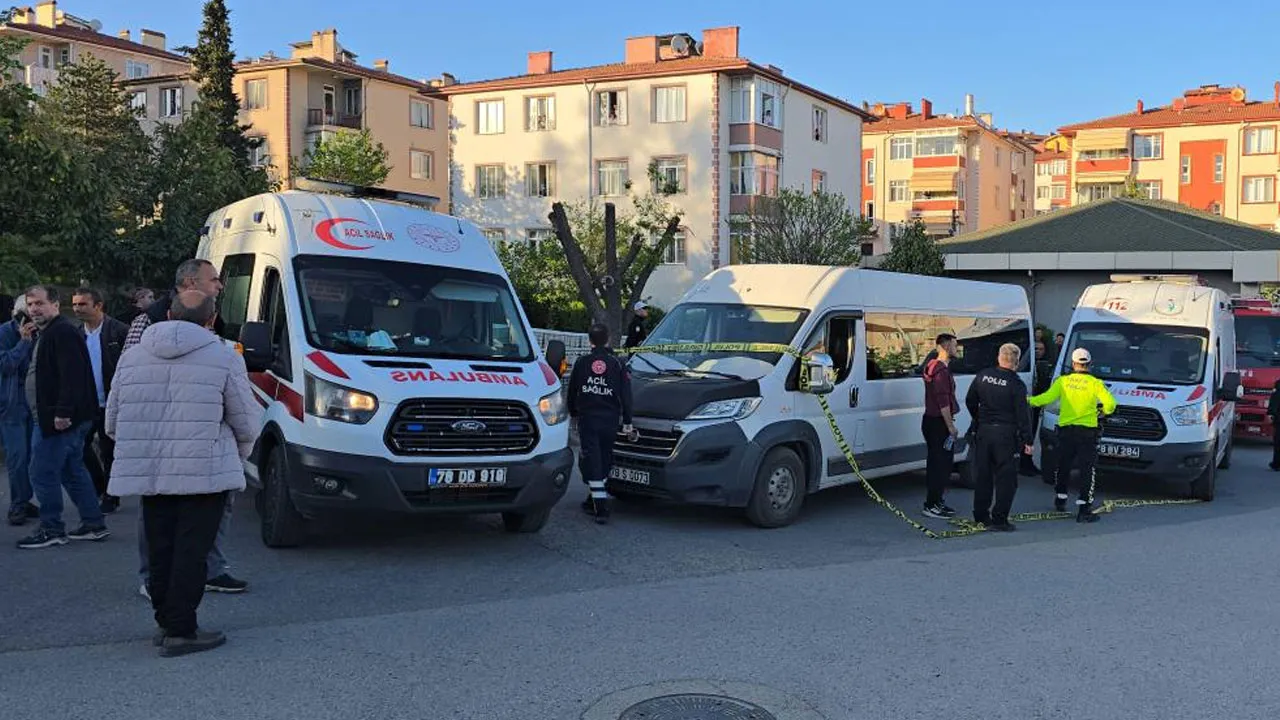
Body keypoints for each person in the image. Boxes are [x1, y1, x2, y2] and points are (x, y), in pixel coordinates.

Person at [107, 291, 259, 657]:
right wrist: (239, 454)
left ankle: (165, 621)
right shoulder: (224, 357)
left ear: (170, 313)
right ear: (212, 319)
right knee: (193, 551)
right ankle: (182, 629)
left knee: (159, 547)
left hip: (151, 470)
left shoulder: (133, 357)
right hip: (204, 470)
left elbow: (112, 421)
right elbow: (246, 422)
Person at [127, 259, 246, 596]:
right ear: (191, 282)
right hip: (162, 438)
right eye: (215, 279)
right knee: (158, 516)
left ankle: (211, 569)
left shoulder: (214, 320)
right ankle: (154, 578)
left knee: (215, 510)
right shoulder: (145, 320)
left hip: (206, 437)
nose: (220, 286)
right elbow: (130, 380)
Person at [16, 285, 109, 549]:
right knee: (72, 469)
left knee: (41, 471)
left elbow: (73, 375)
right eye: (30, 304)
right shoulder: (51, 332)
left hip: (58, 419)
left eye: (39, 304)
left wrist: (63, 412)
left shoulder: (62, 332)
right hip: (58, 417)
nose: (34, 309)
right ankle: (93, 523)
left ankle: (52, 528)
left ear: (55, 305)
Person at [1029, 348, 1117, 523]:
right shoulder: (1095, 383)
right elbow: (1111, 404)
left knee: (1063, 465)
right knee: (1087, 469)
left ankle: (1060, 499)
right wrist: (1103, 412)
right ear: (1089, 365)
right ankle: (1084, 509)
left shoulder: (1063, 381)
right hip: (1087, 432)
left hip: (1066, 430)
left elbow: (1045, 399)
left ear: (1073, 363)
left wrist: (1026, 400)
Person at [567, 323, 634, 524]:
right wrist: (628, 420)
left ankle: (600, 506)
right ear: (608, 340)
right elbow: (626, 394)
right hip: (610, 418)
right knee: (603, 457)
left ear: (589, 340)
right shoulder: (618, 363)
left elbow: (572, 390)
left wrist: (573, 412)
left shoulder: (582, 362)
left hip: (588, 417)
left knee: (593, 458)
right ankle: (594, 499)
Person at [965, 343, 1033, 532]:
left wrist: (979, 419)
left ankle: (980, 515)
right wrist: (1028, 440)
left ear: (999, 357)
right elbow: (1023, 414)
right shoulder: (1016, 384)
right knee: (1006, 478)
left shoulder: (983, 376)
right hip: (1006, 435)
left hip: (984, 431)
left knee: (983, 476)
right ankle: (1000, 519)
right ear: (1017, 362)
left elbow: (970, 400)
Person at [73, 287, 129, 515]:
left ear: (98, 305)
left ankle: (111, 496)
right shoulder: (76, 333)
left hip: (111, 400)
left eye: (82, 304)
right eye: (75, 304)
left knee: (109, 451)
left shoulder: (118, 331)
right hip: (86, 403)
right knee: (79, 447)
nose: (77, 309)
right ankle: (100, 487)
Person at [1, 296, 38, 525]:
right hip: (12, 403)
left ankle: (25, 499)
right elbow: (6, 364)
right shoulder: (5, 333)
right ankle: (17, 505)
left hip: (35, 401)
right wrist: (23, 343)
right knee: (17, 456)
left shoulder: (42, 332)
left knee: (33, 455)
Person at [921, 333, 961, 519]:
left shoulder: (931, 366)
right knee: (941, 465)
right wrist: (951, 427)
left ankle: (936, 501)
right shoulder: (941, 372)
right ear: (945, 347)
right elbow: (943, 402)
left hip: (930, 420)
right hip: (939, 423)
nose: (957, 348)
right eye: (954, 345)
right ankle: (931, 504)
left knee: (936, 463)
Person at [1021, 340, 1053, 477]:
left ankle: (1027, 461)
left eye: (1041, 349)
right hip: (1029, 403)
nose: (1038, 351)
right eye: (1036, 349)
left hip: (1037, 404)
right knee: (1026, 435)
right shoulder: (1026, 365)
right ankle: (1024, 463)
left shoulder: (1048, 364)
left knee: (1032, 435)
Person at [1268, 379, 1280, 471]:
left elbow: (1274, 403)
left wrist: (1271, 414)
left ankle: (1276, 464)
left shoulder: (1277, 391)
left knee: (1278, 443)